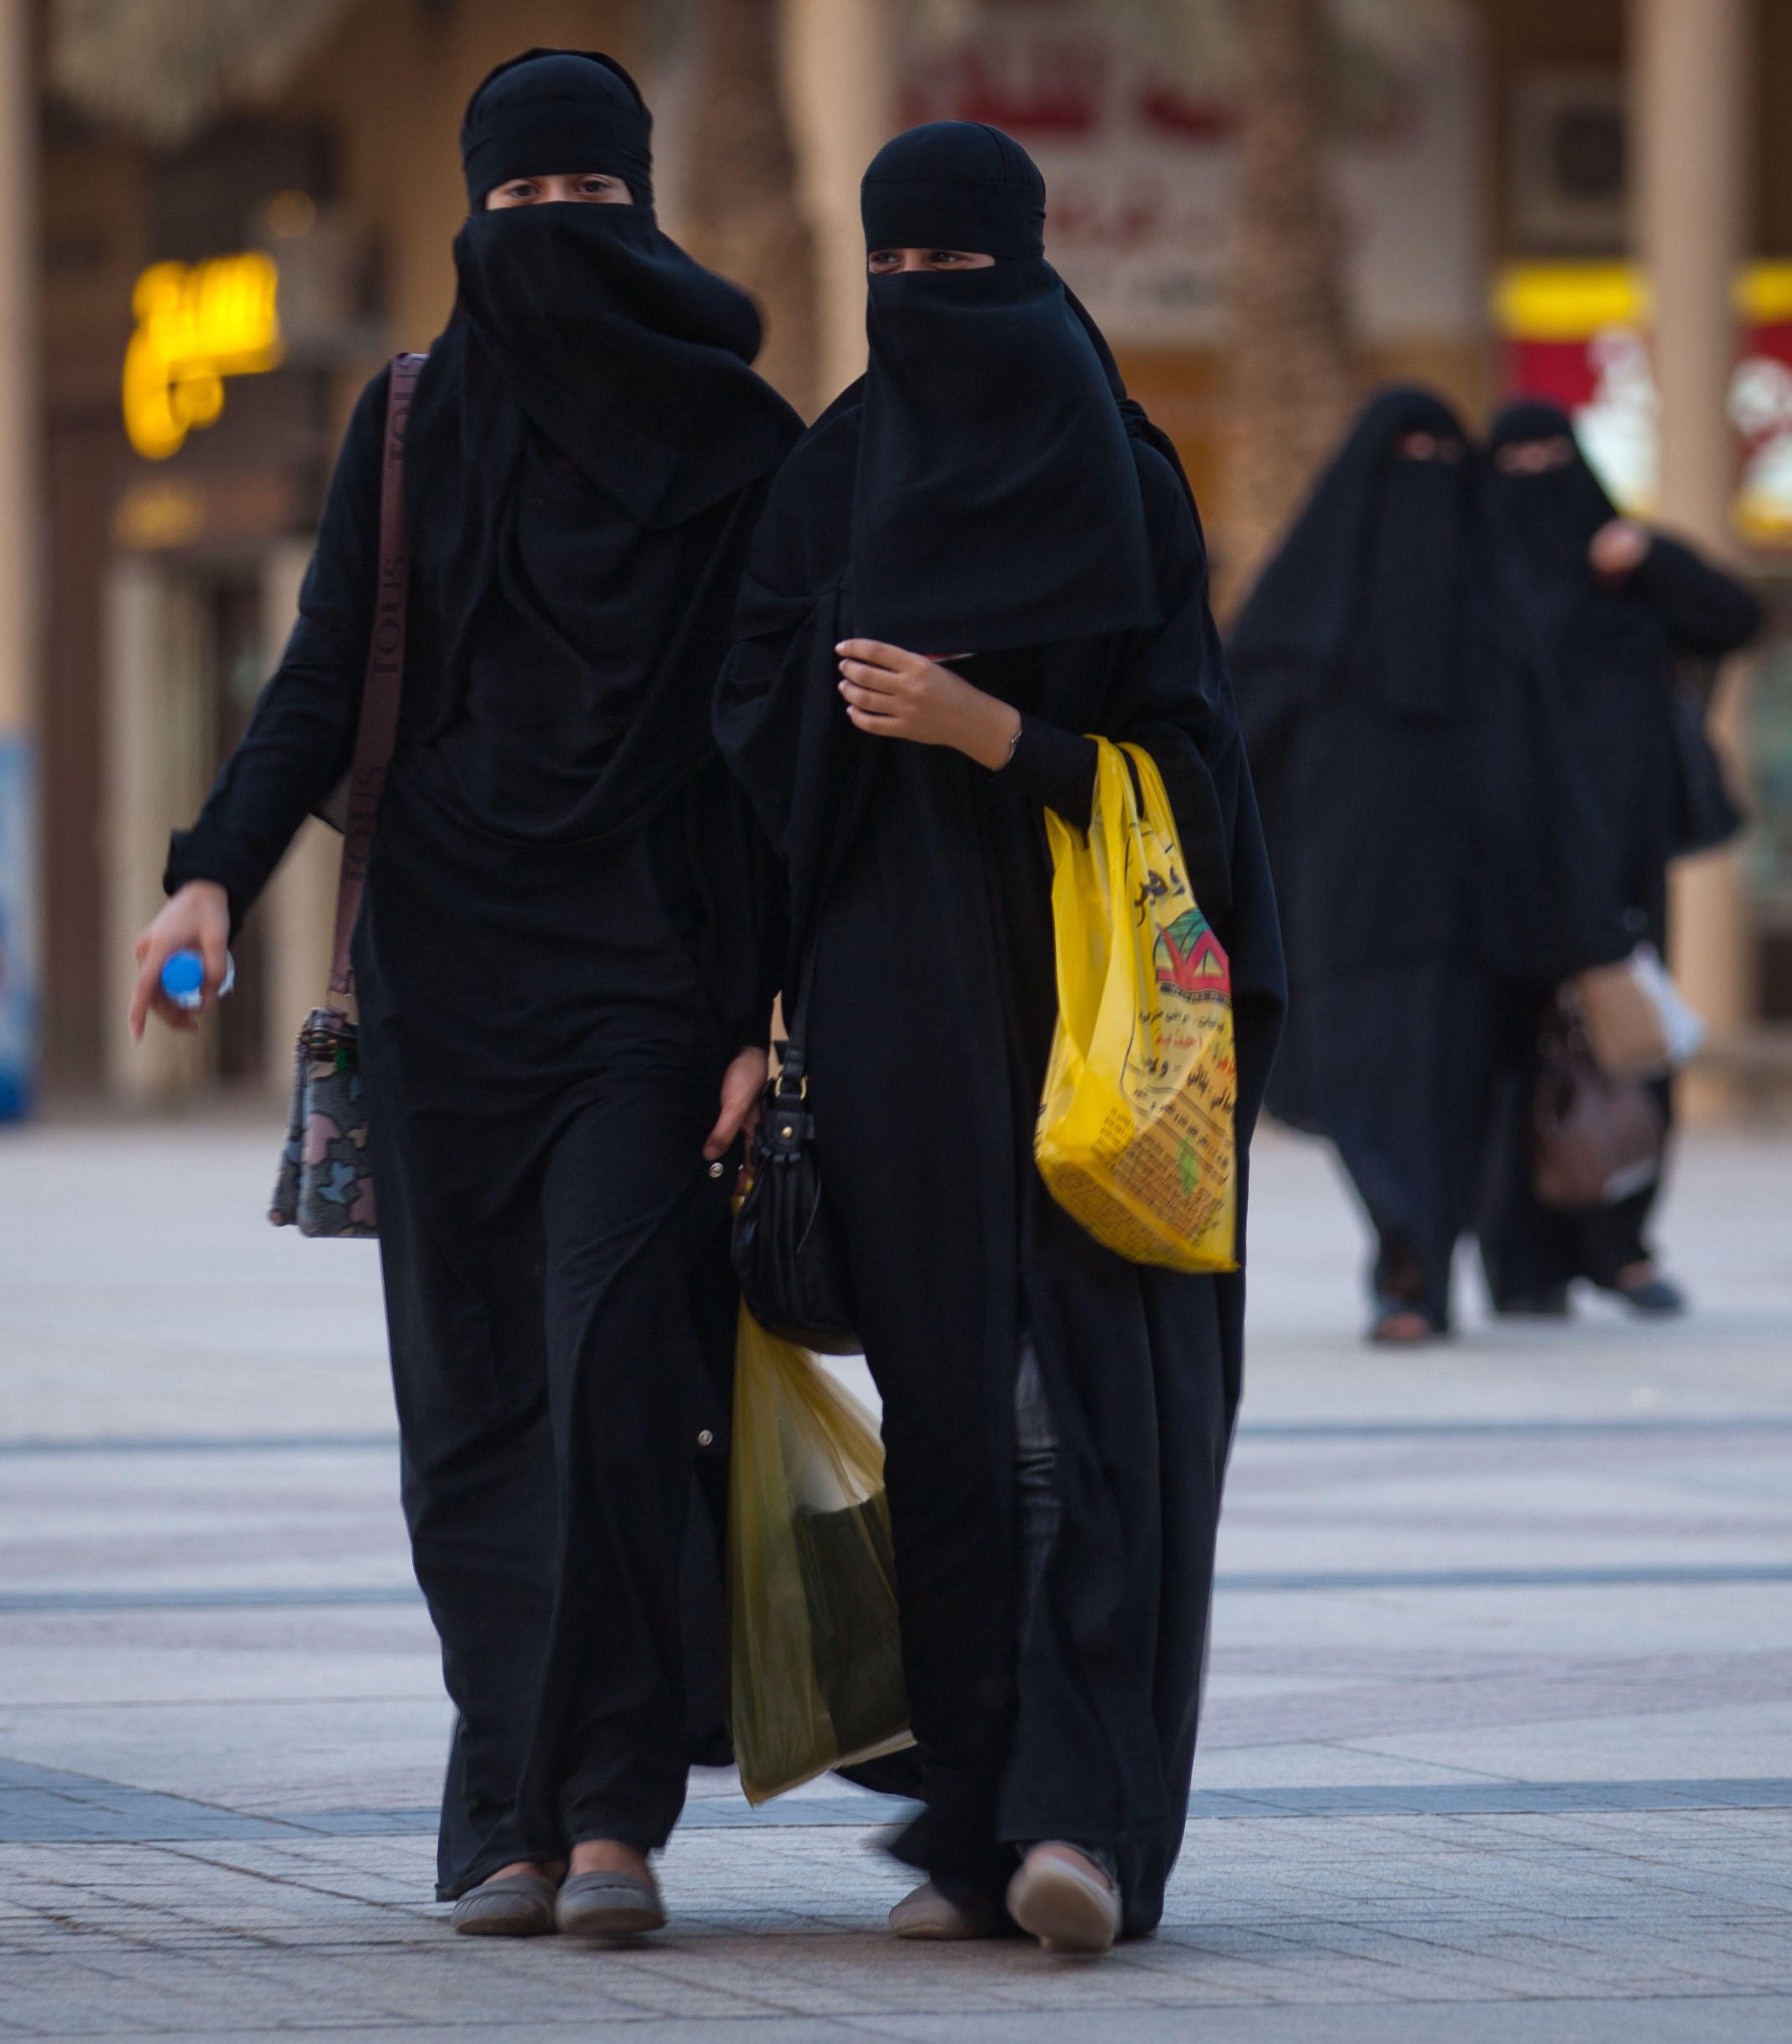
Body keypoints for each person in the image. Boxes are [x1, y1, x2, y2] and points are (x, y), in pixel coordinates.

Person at [131, 51, 798, 1940]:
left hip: (649, 992)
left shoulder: (743, 448)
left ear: (647, 209)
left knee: (611, 1380)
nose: (558, 242)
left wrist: (760, 1005)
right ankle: (501, 1793)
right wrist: (206, 869)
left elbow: (765, 758)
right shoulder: (410, 420)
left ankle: (609, 1809)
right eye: (523, 208)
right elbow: (325, 671)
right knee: (472, 1411)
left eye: (595, 206)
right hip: (441, 981)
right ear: (467, 216)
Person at [714, 121, 1285, 1953]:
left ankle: (1088, 1826)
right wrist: (751, 1019)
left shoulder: (1123, 480)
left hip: (1096, 1017)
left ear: (1034, 271)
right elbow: (749, 770)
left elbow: (1195, 785)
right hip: (891, 1018)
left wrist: (992, 735)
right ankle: (974, 1826)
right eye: (902, 277)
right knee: (957, 1426)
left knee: (1099, 1419)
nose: (931, 308)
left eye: (964, 274)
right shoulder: (831, 481)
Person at [1476, 401, 1762, 1319]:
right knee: (1516, 1056)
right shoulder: (1478, 579)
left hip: (1625, 856)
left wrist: (1651, 558)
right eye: (1510, 457)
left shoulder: (1625, 576)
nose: (1532, 473)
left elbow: (1734, 617)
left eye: (1548, 454)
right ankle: (1525, 1262)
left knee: (1633, 1038)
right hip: (1511, 861)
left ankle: (1622, 1245)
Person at [1229, 389, 1497, 1341]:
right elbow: (1230, 745)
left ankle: (1421, 1257)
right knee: (1359, 1084)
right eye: (1404, 454)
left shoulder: (1495, 598)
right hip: (1341, 898)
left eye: (1442, 452)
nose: (1426, 474)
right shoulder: (1305, 609)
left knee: (1458, 1089)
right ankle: (1405, 1250)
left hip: (1476, 905)